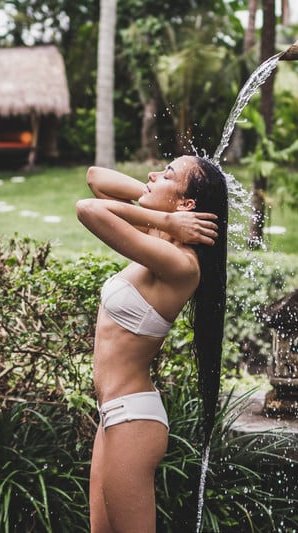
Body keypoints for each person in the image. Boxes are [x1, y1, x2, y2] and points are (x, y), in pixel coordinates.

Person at [76, 155, 229, 533]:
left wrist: (164, 215)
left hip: (133, 420)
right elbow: (96, 180)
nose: (152, 175)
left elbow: (88, 209)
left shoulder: (180, 263)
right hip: (113, 415)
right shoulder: (158, 239)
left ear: (187, 205)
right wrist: (167, 212)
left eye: (167, 174)